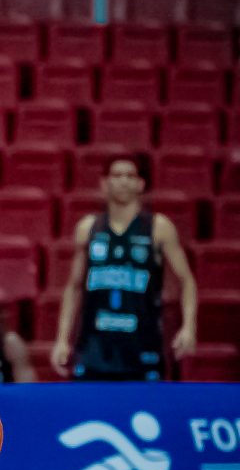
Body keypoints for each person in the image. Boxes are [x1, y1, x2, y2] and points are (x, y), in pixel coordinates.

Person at [51, 154, 197, 382]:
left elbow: (186, 281)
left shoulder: (159, 227)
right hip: (94, 347)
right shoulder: (88, 228)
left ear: (141, 184)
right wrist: (62, 339)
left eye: (130, 176)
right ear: (104, 183)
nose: (123, 181)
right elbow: (74, 287)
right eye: (117, 175)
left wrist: (189, 327)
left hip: (142, 345)